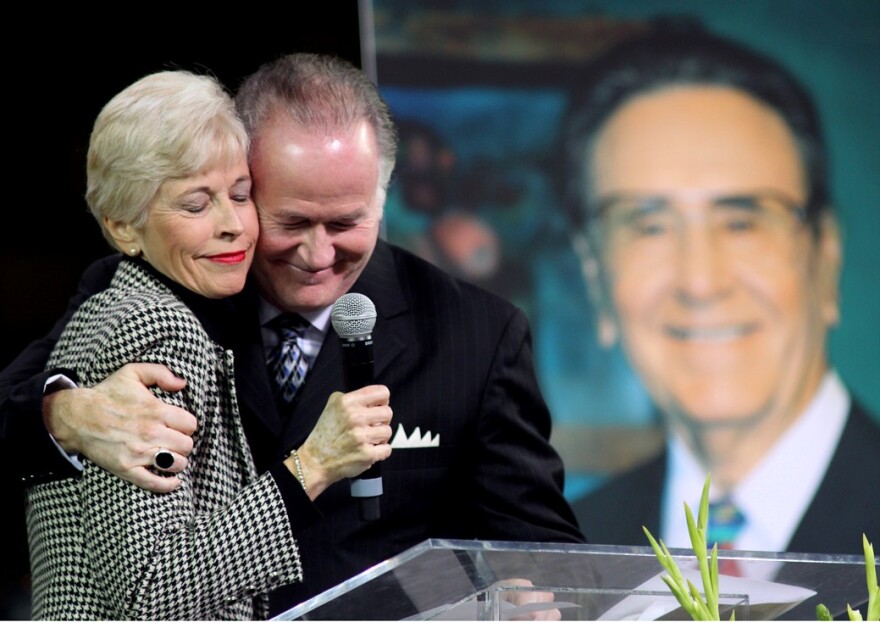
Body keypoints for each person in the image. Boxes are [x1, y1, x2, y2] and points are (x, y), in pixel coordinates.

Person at [1, 53, 583, 615]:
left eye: (346, 223)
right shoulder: (165, 291)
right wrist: (68, 415)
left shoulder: (475, 333)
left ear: (383, 199)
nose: (318, 253)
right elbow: (12, 409)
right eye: (292, 222)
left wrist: (530, 598)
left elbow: (544, 550)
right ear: (248, 182)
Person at [21, 69, 393, 619]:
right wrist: (312, 465)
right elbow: (153, 593)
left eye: (241, 196)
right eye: (195, 205)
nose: (233, 226)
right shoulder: (154, 330)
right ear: (124, 227)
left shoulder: (144, 310)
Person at [561, 26, 879, 555]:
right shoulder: (560, 559)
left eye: (742, 222)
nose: (701, 282)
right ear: (596, 280)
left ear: (825, 258)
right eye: (648, 226)